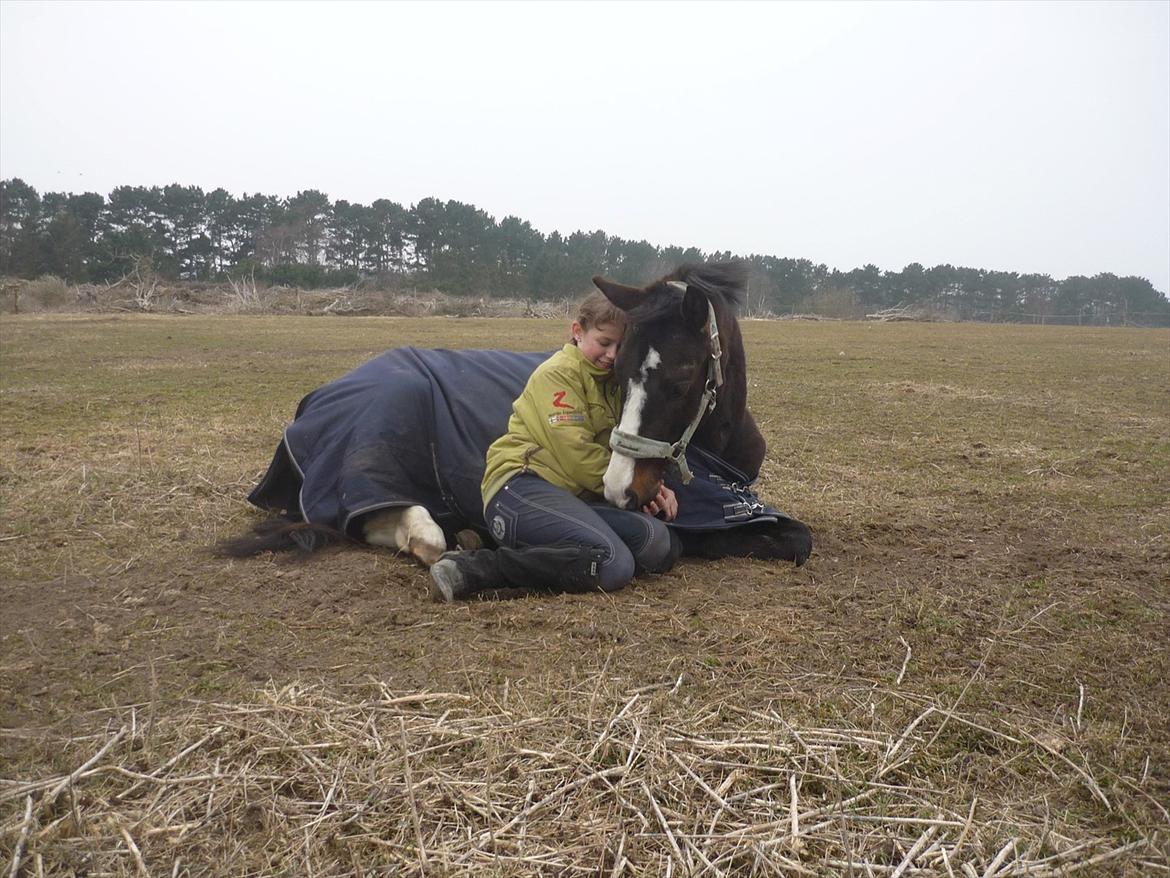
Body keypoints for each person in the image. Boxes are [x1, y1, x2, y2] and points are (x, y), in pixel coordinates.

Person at [429, 291, 681, 601]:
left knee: (656, 542)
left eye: (621, 346)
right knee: (612, 563)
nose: (613, 355)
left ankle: (495, 541)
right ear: (578, 331)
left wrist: (654, 484)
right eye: (604, 343)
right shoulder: (559, 374)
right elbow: (578, 457)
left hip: (571, 496)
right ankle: (474, 568)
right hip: (521, 487)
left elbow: (626, 451)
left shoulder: (613, 384)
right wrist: (642, 490)